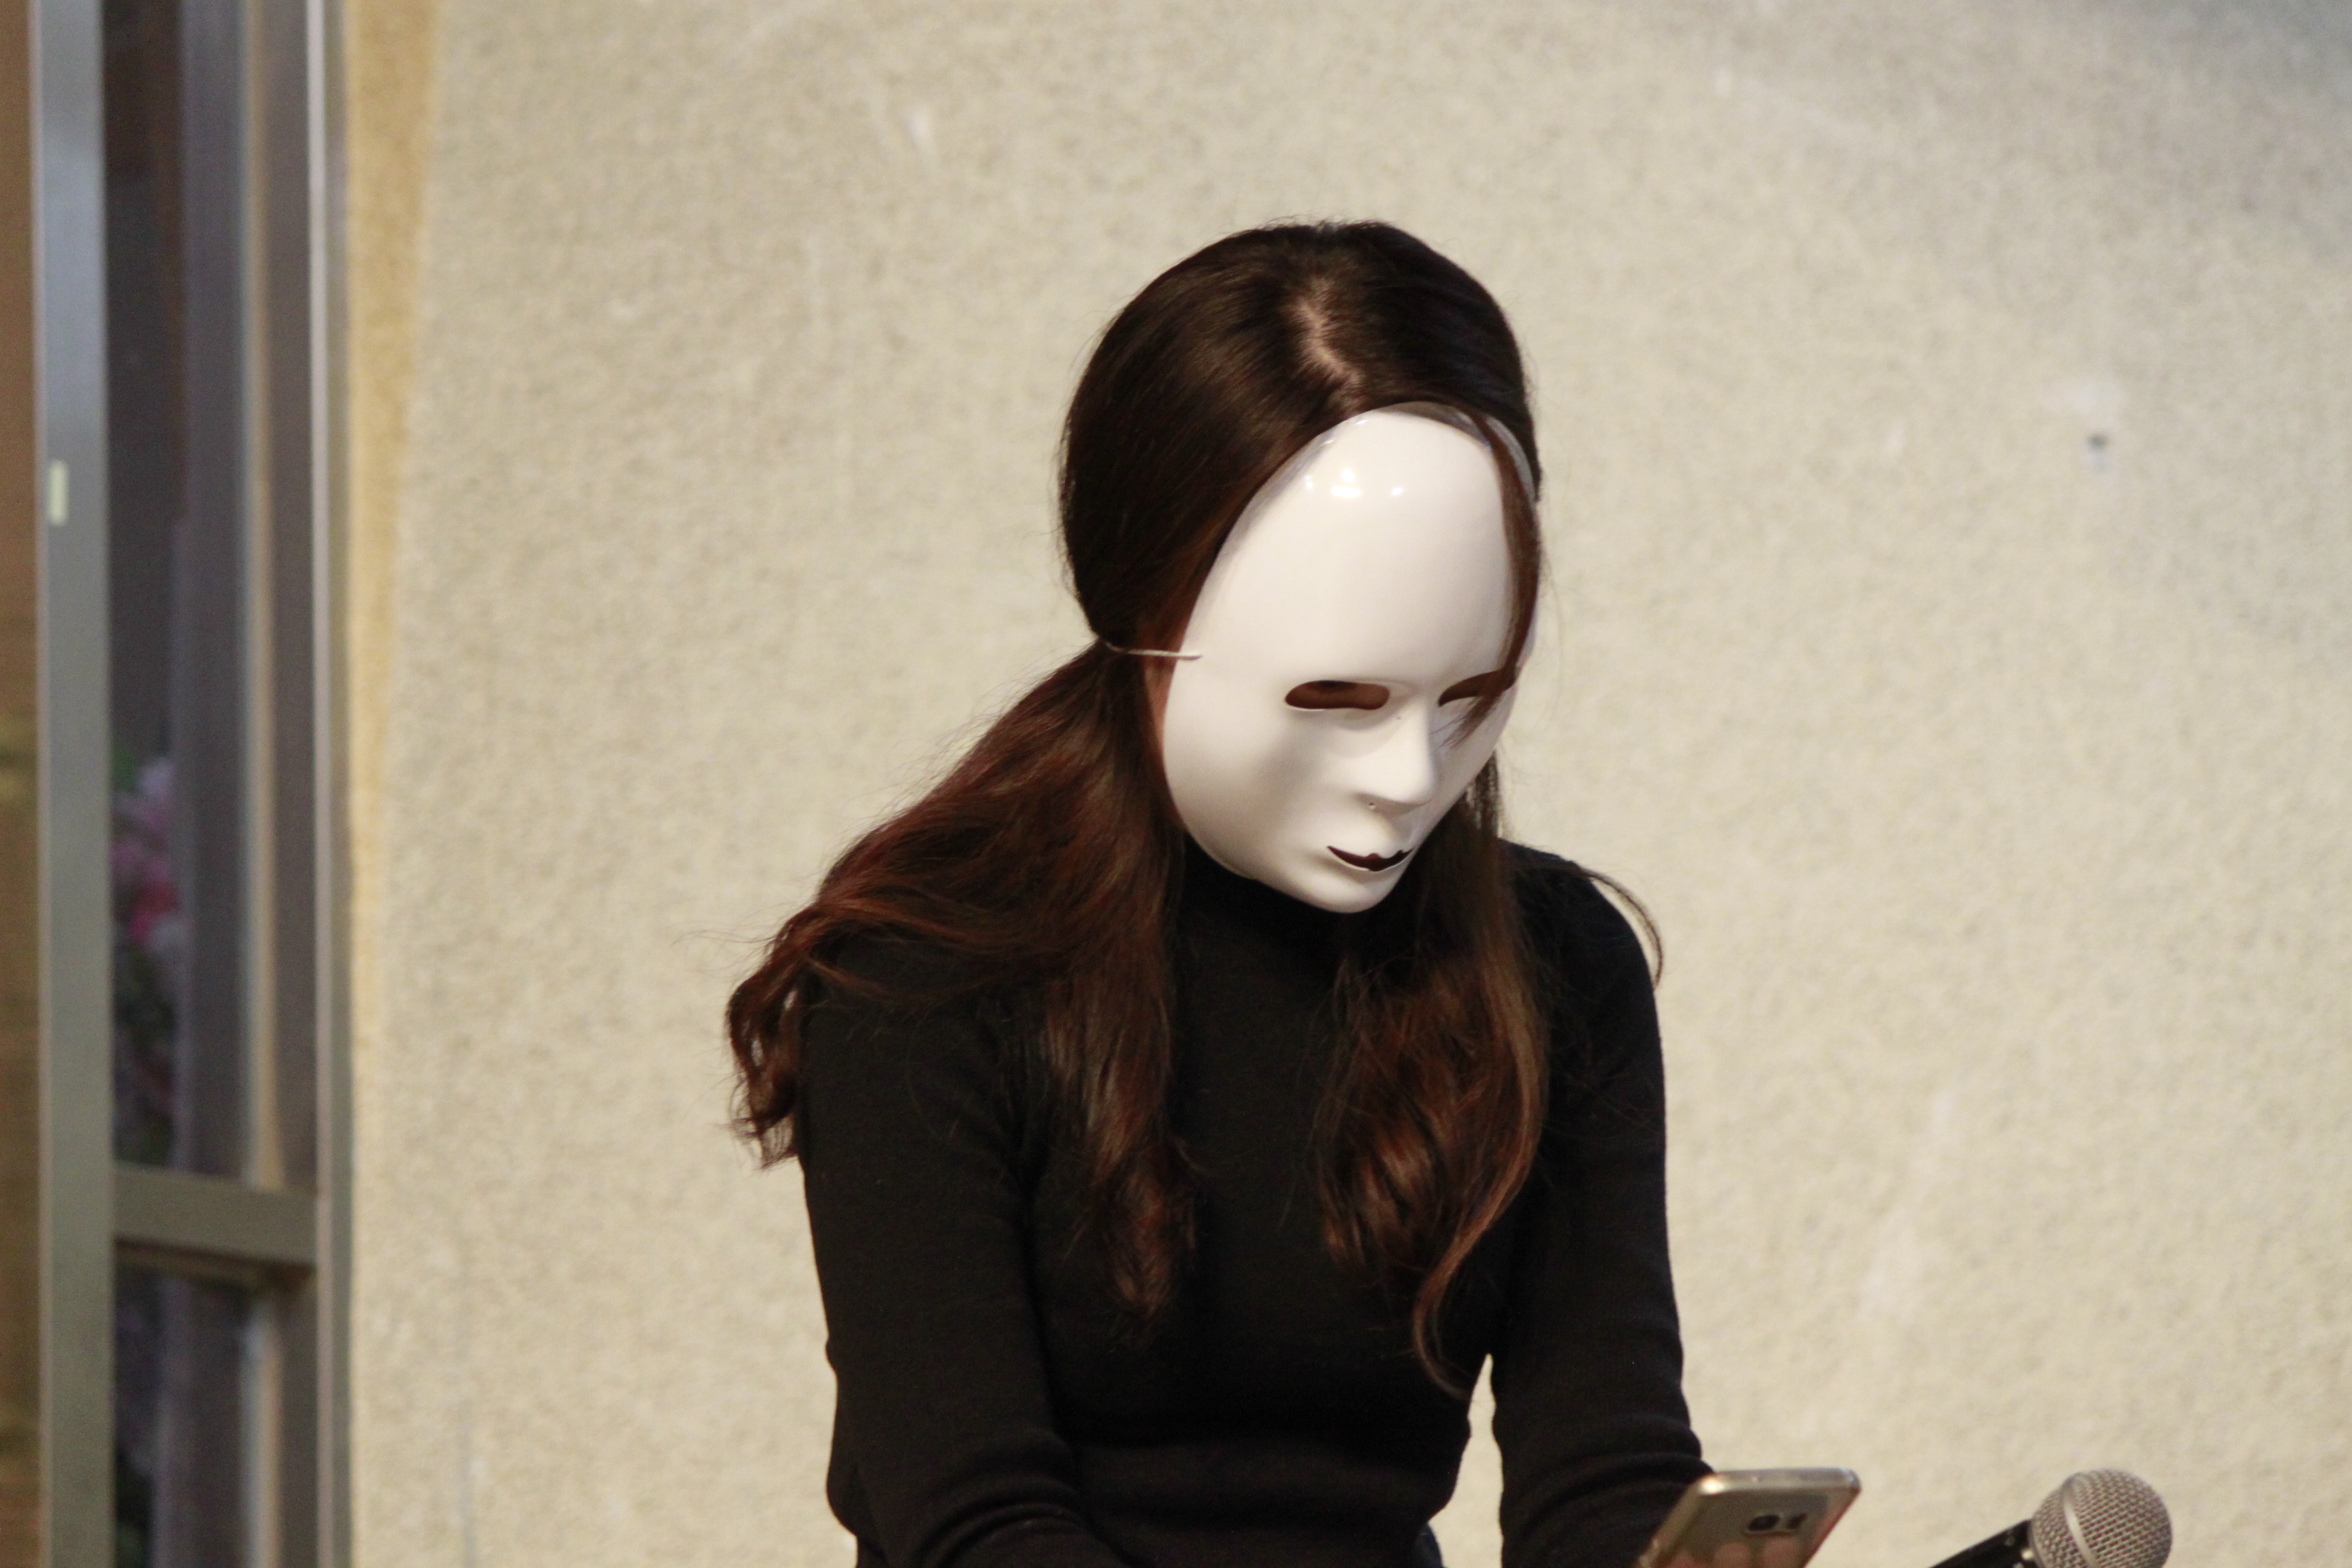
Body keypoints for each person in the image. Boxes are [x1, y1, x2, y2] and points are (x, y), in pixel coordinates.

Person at [728, 221, 1709, 1568]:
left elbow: (1603, 1471)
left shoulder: (1551, 966)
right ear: (1142, 623)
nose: (1411, 776)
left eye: (1472, 696)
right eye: (1336, 699)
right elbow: (971, 1522)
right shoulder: (928, 972)